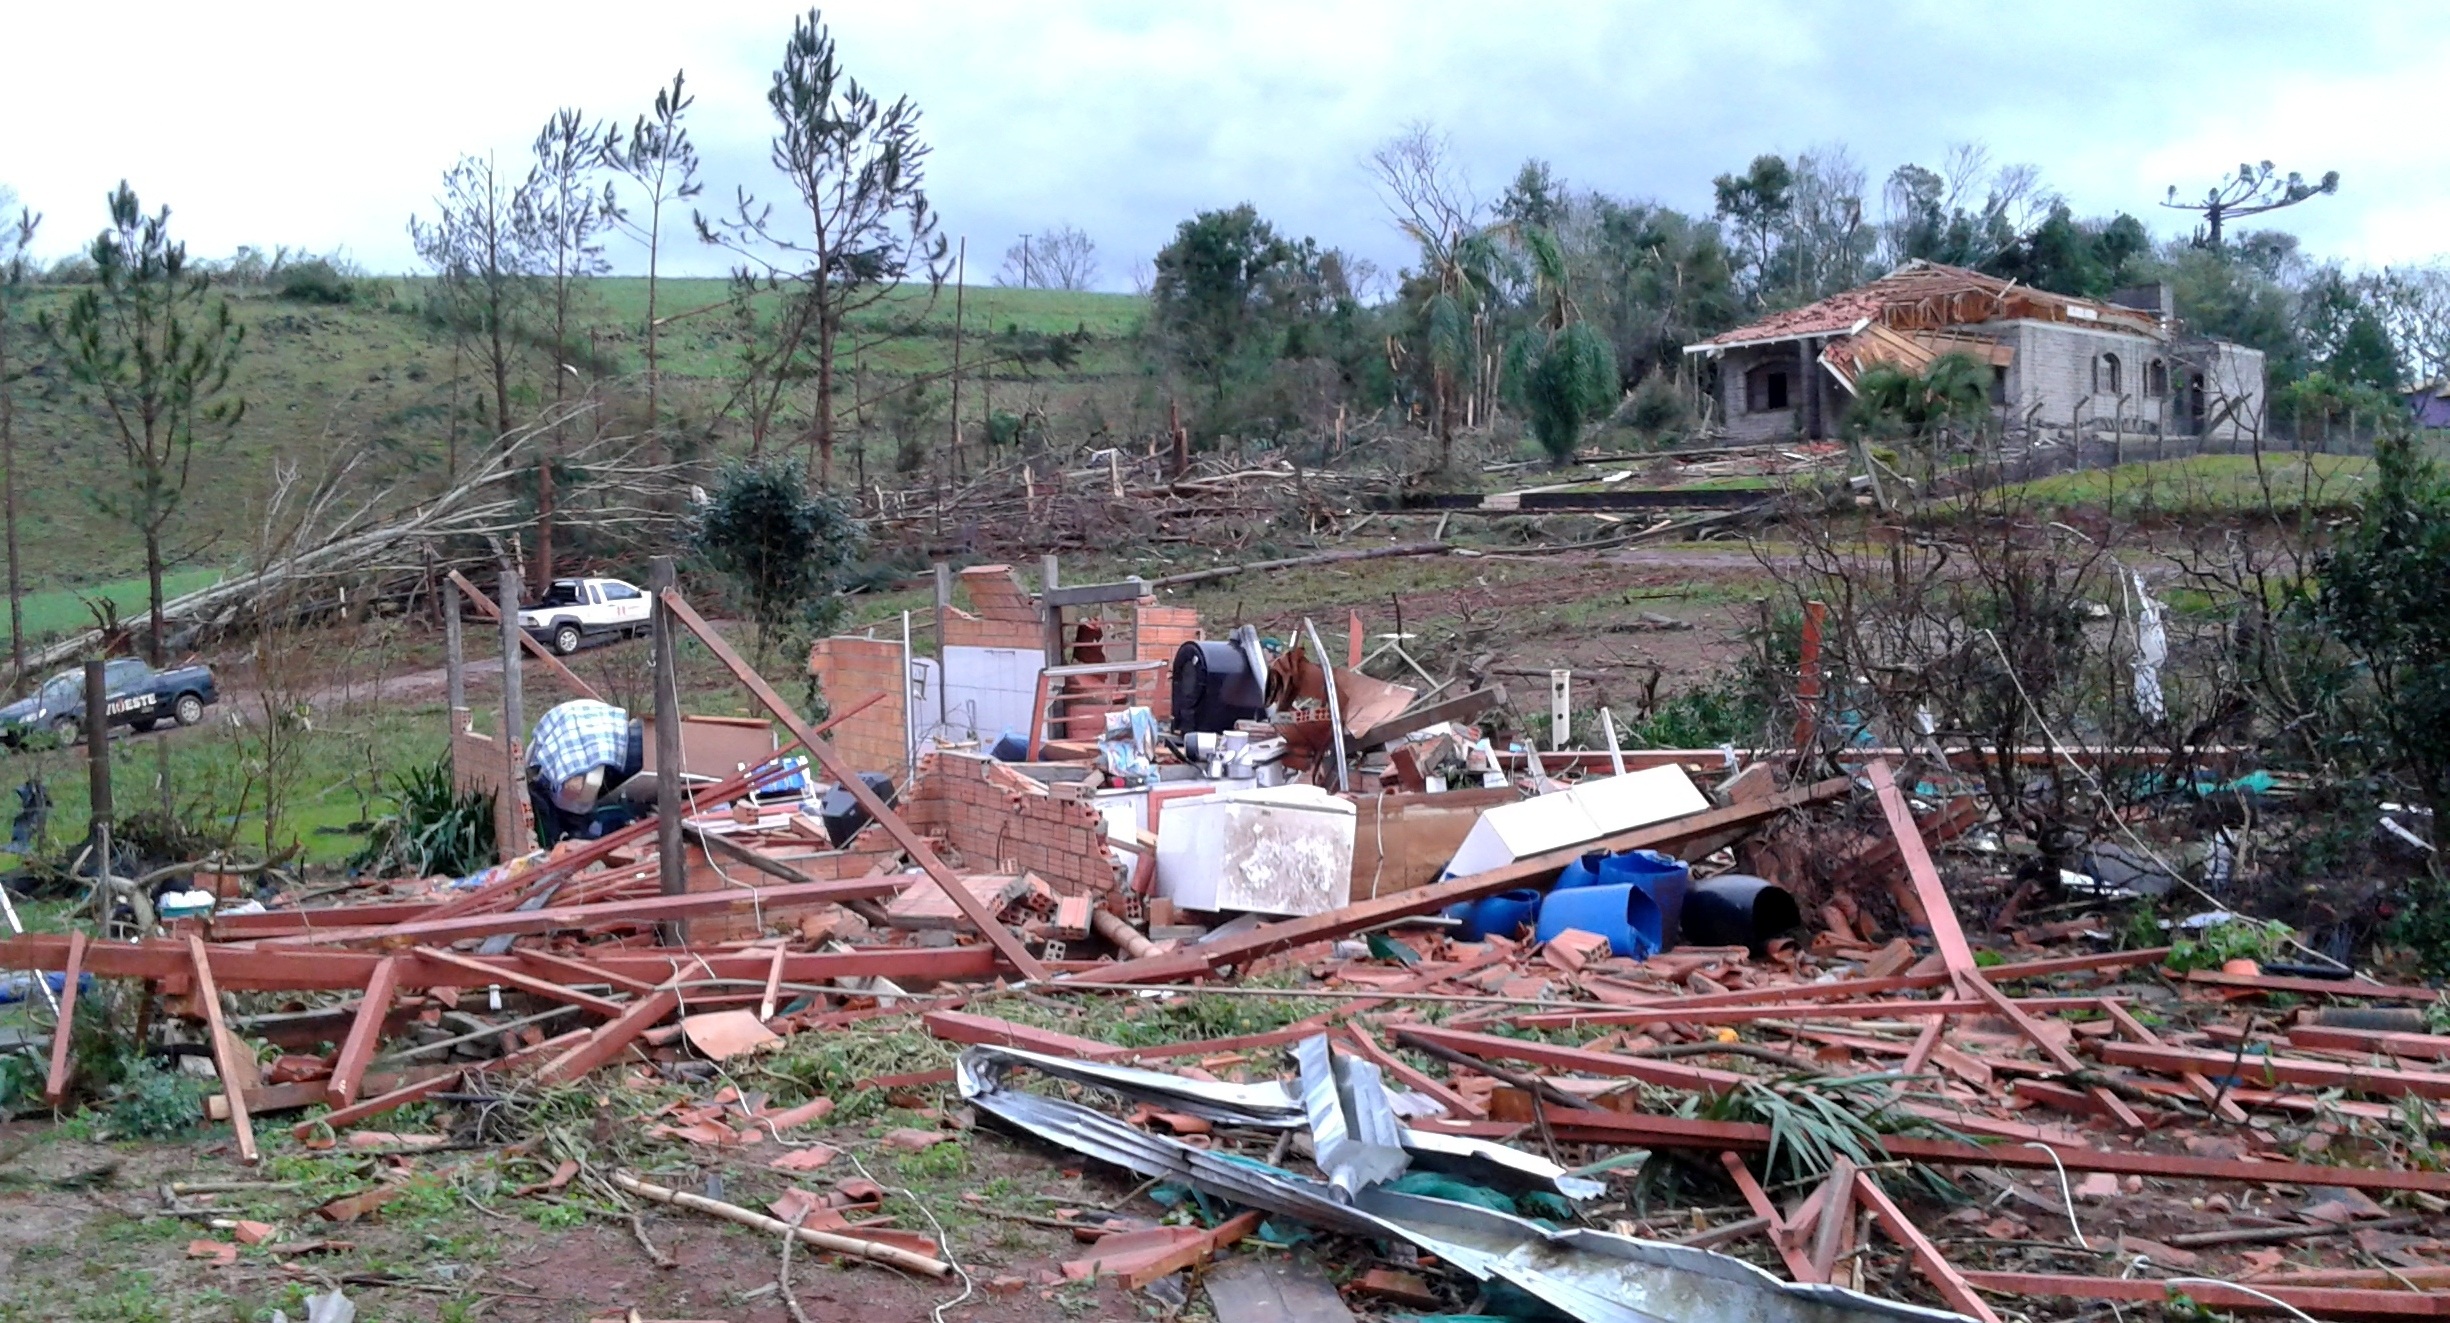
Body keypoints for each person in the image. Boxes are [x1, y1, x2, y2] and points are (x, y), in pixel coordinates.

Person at [524, 699, 657, 845]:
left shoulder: (553, 763)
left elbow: (573, 788)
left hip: (598, 731)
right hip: (610, 728)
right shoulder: (552, 763)